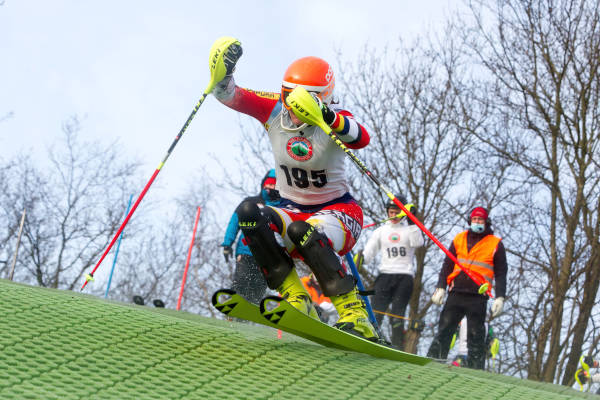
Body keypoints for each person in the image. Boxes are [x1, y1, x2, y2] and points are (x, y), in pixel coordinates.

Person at [210, 39, 379, 341]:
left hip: (338, 212)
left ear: (324, 97)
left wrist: (326, 118)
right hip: (291, 209)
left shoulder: (336, 116)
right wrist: (223, 74)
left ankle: (355, 314)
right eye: (289, 96)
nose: (295, 107)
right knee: (250, 214)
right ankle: (295, 296)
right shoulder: (275, 109)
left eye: (306, 99)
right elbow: (229, 95)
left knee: (304, 231)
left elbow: (361, 137)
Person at [427, 206, 507, 369]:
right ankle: (433, 362)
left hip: (478, 297)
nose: (477, 222)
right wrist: (441, 287)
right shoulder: (459, 239)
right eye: (474, 220)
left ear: (486, 222)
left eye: (480, 220)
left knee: (475, 335)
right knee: (445, 329)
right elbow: (447, 265)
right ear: (470, 221)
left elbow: (501, 273)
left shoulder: (495, 244)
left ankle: (475, 369)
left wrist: (500, 296)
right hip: (456, 292)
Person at [355, 196, 424, 349]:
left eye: (397, 213)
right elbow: (369, 253)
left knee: (397, 315)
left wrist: (412, 220)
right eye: (391, 212)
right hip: (385, 275)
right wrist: (360, 259)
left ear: (403, 213)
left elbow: (418, 242)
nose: (393, 216)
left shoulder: (409, 229)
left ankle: (397, 346)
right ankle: (370, 340)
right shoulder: (381, 231)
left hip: (404, 277)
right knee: (376, 311)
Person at [221, 169, 281, 304]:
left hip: (268, 255)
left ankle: (250, 318)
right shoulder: (250, 202)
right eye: (268, 183)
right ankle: (232, 312)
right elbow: (234, 222)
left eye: (274, 184)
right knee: (241, 281)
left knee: (258, 288)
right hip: (246, 250)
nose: (270, 187)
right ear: (263, 184)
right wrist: (227, 243)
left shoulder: (282, 207)